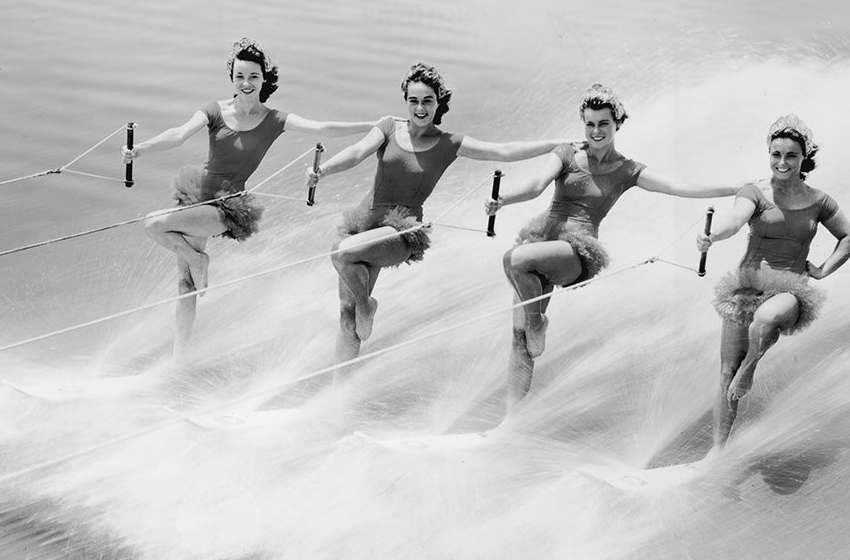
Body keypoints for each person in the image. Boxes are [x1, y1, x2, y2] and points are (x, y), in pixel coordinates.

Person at [484, 83, 741, 419]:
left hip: (575, 251)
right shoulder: (565, 154)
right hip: (542, 241)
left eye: (603, 123)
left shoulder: (627, 170)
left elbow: (680, 187)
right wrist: (502, 200)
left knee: (512, 262)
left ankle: (537, 323)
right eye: (589, 124)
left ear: (617, 123)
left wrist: (736, 187)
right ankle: (509, 421)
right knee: (519, 341)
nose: (595, 131)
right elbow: (534, 187)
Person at [122, 38, 383, 356]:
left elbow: (323, 127)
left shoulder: (274, 120)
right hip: (196, 197)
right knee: (185, 286)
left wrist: (373, 124)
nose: (246, 83)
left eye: (253, 77)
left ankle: (196, 258)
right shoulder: (215, 111)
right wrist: (141, 148)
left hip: (226, 208)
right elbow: (178, 134)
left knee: (153, 224)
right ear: (232, 77)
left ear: (264, 79)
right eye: (240, 76)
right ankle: (180, 358)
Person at [305, 62, 570, 365]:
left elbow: (504, 151)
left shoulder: (447, 143)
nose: (420, 108)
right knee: (345, 314)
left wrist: (556, 144)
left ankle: (367, 306)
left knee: (342, 255)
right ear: (405, 101)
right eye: (413, 100)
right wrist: (321, 171)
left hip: (400, 231)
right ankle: (340, 390)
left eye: (427, 101)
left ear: (438, 102)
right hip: (365, 223)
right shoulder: (389, 128)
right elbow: (356, 152)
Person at [696, 114, 850, 447]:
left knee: (766, 319)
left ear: (804, 159)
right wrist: (712, 237)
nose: (782, 163)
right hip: (746, 288)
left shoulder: (820, 201)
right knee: (726, 371)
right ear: (768, 154)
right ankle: (716, 452)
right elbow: (734, 220)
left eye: (791, 156)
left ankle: (750, 369)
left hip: (791, 291)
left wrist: (823, 270)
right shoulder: (754, 191)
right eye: (776, 154)